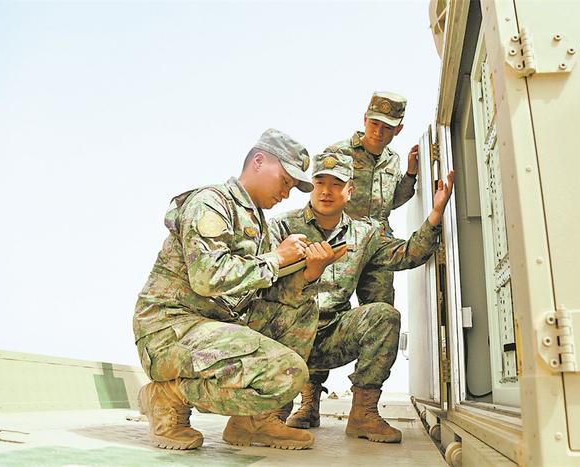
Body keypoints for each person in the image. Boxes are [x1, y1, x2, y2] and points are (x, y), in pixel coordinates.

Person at [133, 129, 345, 451]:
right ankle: (166, 396)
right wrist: (275, 259)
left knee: (301, 307)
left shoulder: (257, 223)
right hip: (169, 330)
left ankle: (253, 423)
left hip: (213, 325)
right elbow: (207, 277)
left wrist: (309, 272)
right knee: (288, 372)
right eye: (285, 181)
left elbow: (265, 292)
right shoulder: (211, 202)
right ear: (259, 161)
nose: (287, 193)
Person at [269, 152, 454, 443]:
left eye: (336, 184)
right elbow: (260, 283)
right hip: (286, 334)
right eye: (320, 182)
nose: (326, 191)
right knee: (269, 318)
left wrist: (435, 214)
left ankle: (363, 414)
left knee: (383, 315)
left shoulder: (364, 235)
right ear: (311, 185)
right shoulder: (281, 226)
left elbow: (408, 254)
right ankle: (274, 413)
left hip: (330, 336)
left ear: (350, 191)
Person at [323, 91, 420, 306]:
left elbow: (392, 201)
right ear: (365, 119)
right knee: (331, 308)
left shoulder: (392, 159)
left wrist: (411, 174)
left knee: (380, 310)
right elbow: (322, 199)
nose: (378, 132)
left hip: (378, 244)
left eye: (387, 128)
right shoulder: (338, 153)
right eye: (374, 123)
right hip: (342, 243)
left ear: (398, 130)